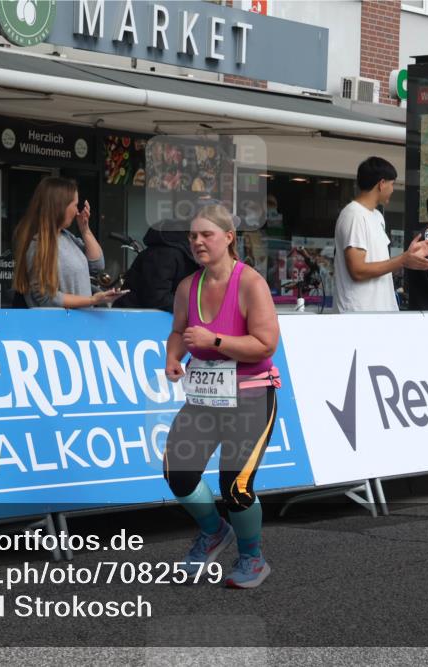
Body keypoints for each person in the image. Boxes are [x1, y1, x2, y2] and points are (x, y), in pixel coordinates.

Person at [163, 203, 281, 589]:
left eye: (206, 235)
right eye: (193, 236)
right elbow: (179, 331)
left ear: (228, 238)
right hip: (204, 399)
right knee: (177, 474)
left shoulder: (250, 284)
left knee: (236, 487)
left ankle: (252, 558)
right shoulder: (187, 287)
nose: (197, 242)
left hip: (250, 396)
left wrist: (215, 340)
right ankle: (214, 532)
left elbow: (266, 345)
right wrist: (172, 357)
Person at [333, 157, 428, 313]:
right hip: (358, 315)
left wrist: (408, 258)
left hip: (381, 312)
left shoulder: (377, 216)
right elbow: (357, 271)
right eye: (392, 184)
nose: (393, 189)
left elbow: (379, 264)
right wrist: (403, 260)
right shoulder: (354, 215)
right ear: (381, 184)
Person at [13, 176, 124, 308]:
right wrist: (91, 300)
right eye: (75, 205)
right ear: (60, 207)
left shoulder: (67, 236)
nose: (77, 211)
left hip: (79, 322)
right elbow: (46, 297)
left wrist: (85, 230)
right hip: (59, 325)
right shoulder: (38, 244)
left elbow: (97, 265)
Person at [113, 220, 198, 312]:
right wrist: (194, 307)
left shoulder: (176, 252)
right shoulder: (166, 254)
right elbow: (157, 298)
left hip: (140, 316)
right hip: (136, 318)